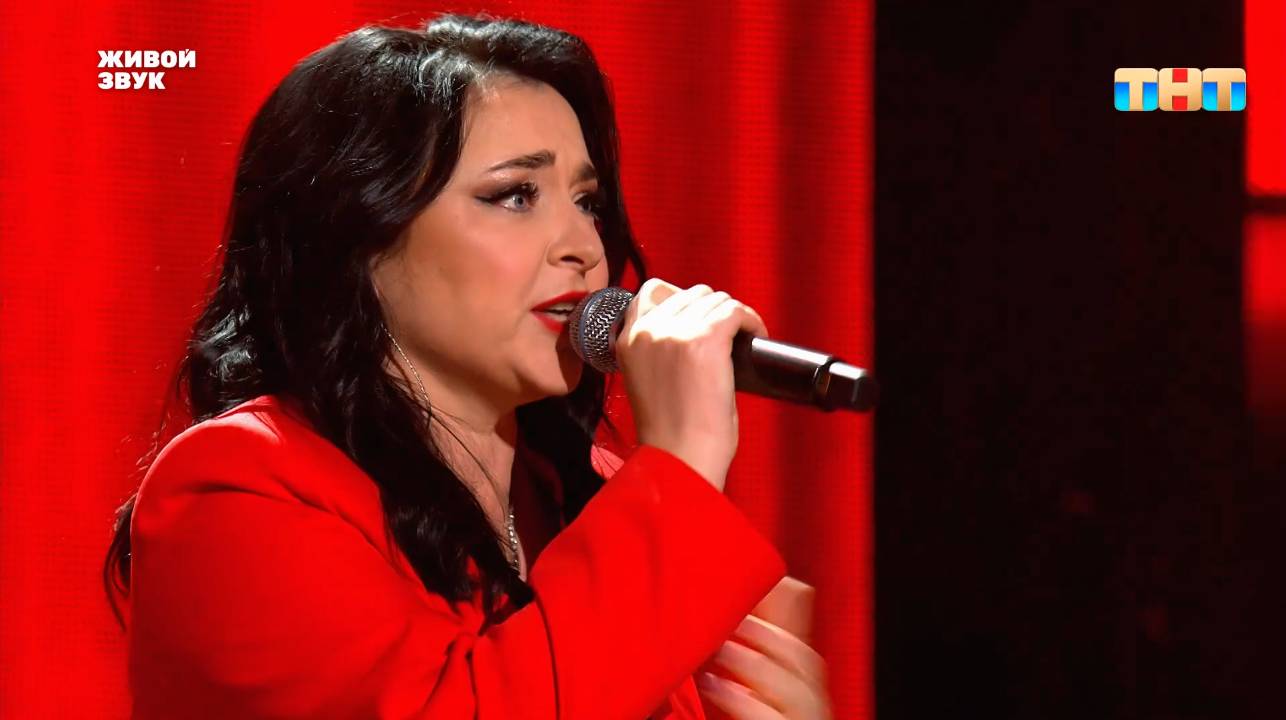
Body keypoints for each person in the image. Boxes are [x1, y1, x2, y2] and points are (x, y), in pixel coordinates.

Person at [103, 14, 832, 719]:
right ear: (360, 239)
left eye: (587, 201)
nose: (584, 246)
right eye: (515, 195)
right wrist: (680, 460)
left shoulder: (593, 496)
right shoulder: (238, 489)